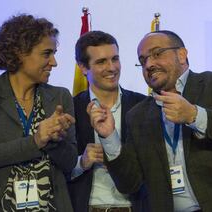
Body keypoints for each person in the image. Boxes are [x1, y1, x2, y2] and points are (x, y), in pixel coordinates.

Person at [89, 30, 212, 211]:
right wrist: (110, 137)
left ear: (181, 55)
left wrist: (194, 115)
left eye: (157, 54)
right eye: (143, 60)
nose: (149, 64)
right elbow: (130, 184)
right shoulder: (137, 115)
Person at [0, 14, 77, 211]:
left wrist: (54, 140)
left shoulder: (60, 97)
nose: (54, 62)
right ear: (20, 52)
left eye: (54, 53)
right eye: (47, 54)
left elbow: (70, 162)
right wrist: (36, 141)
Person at [67, 31, 145, 212]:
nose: (112, 68)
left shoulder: (142, 106)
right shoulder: (71, 109)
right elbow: (55, 171)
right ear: (83, 67)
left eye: (115, 59)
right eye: (101, 62)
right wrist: (81, 162)